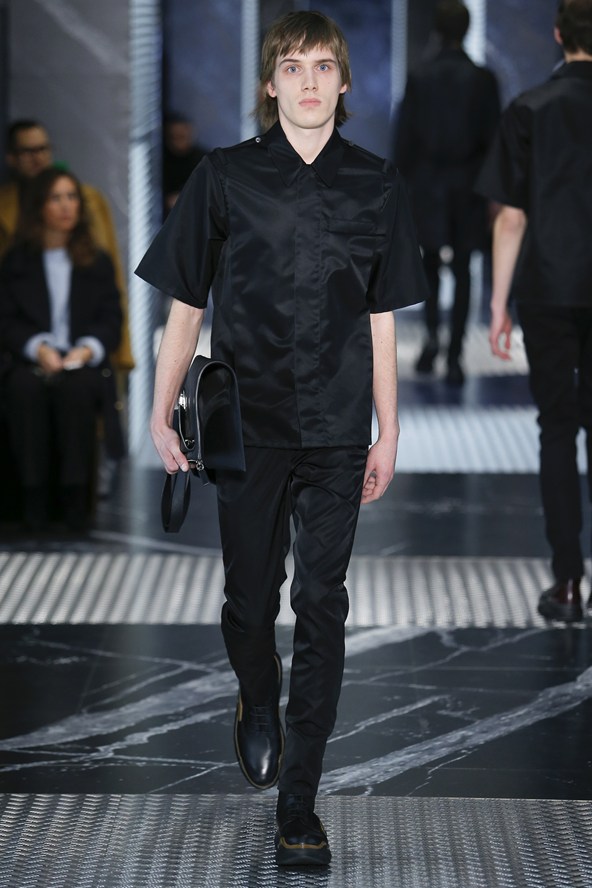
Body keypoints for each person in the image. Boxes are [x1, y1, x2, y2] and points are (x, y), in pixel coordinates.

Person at [136, 10, 427, 866]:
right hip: (248, 424)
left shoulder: (377, 183)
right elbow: (186, 302)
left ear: (344, 82)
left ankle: (299, 802)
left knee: (324, 605)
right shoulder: (225, 176)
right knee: (248, 601)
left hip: (337, 427)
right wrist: (159, 409)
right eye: (292, 66)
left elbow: (381, 319)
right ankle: (256, 695)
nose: (307, 81)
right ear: (270, 83)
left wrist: (389, 429)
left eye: (322, 66)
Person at [477, 0, 592, 622]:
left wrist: (498, 302)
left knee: (557, 428)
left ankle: (568, 581)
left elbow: (511, 218)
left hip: (548, 286)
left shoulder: (528, 108)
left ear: (557, 34)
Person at [0, 167, 122, 531]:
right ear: (39, 206)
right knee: (23, 389)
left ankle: (74, 499)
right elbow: (6, 319)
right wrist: (38, 348)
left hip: (80, 361)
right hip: (30, 360)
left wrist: (85, 350)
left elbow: (111, 319)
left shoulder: (96, 260)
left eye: (72, 197)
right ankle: (32, 496)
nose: (67, 206)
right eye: (56, 198)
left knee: (78, 390)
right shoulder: (16, 261)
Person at [395, 0, 500, 385]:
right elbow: (494, 142)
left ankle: (431, 342)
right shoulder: (483, 80)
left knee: (429, 265)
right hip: (469, 185)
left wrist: (399, 189)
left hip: (427, 185)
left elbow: (405, 140)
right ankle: (455, 355)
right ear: (467, 30)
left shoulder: (420, 77)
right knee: (463, 267)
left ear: (437, 31)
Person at [0, 120, 133, 372]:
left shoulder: (91, 202)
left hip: (85, 349)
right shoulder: (7, 216)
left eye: (42, 149)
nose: (37, 157)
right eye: (27, 151)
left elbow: (110, 297)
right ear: (11, 157)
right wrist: (36, 348)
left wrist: (92, 348)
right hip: (23, 357)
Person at [162, 113, 206, 214]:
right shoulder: (161, 162)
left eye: (182, 136)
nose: (178, 142)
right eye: (173, 137)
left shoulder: (204, 160)